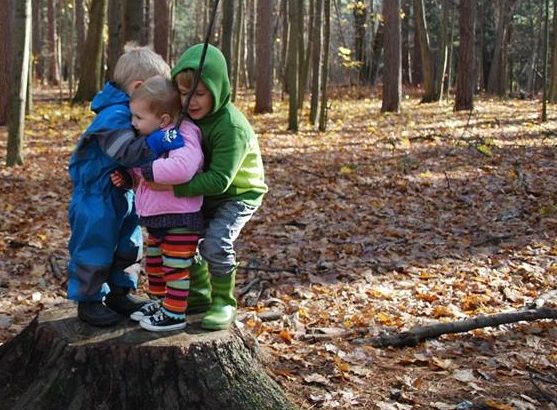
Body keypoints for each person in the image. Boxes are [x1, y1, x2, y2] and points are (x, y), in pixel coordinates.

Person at [149, 44, 268, 330]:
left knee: (215, 242)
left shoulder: (231, 127)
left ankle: (223, 301)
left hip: (237, 194)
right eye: (183, 92)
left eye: (200, 94)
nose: (191, 101)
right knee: (181, 234)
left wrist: (173, 188)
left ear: (217, 88)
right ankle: (198, 295)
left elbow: (219, 180)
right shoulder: (183, 117)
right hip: (203, 191)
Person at [68, 45, 184, 327]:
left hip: (123, 191)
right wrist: (163, 139)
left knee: (127, 243)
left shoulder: (131, 111)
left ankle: (120, 292)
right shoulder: (113, 116)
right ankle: (90, 299)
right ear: (138, 87)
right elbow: (127, 152)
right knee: (95, 244)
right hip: (95, 197)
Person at [111, 75, 204, 332]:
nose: (133, 123)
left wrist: (148, 170)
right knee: (155, 265)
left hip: (180, 217)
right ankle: (162, 303)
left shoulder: (183, 132)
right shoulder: (155, 136)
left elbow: (183, 167)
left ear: (163, 119)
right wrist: (130, 178)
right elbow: (144, 173)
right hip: (157, 219)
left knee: (175, 268)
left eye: (139, 118)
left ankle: (175, 313)